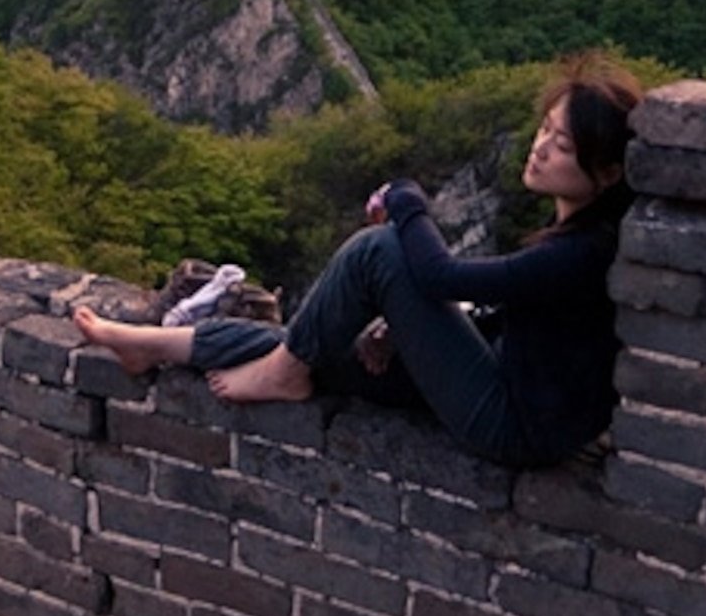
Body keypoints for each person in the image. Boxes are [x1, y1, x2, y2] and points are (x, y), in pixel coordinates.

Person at [72, 57, 640, 469]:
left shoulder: (581, 253)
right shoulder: (581, 238)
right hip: (502, 380)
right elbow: (511, 308)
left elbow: (442, 277)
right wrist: (408, 331)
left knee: (381, 250)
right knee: (315, 346)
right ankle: (153, 345)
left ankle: (280, 373)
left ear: (608, 172)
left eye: (563, 145)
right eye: (545, 129)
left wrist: (407, 200)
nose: (540, 147)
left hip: (511, 425)